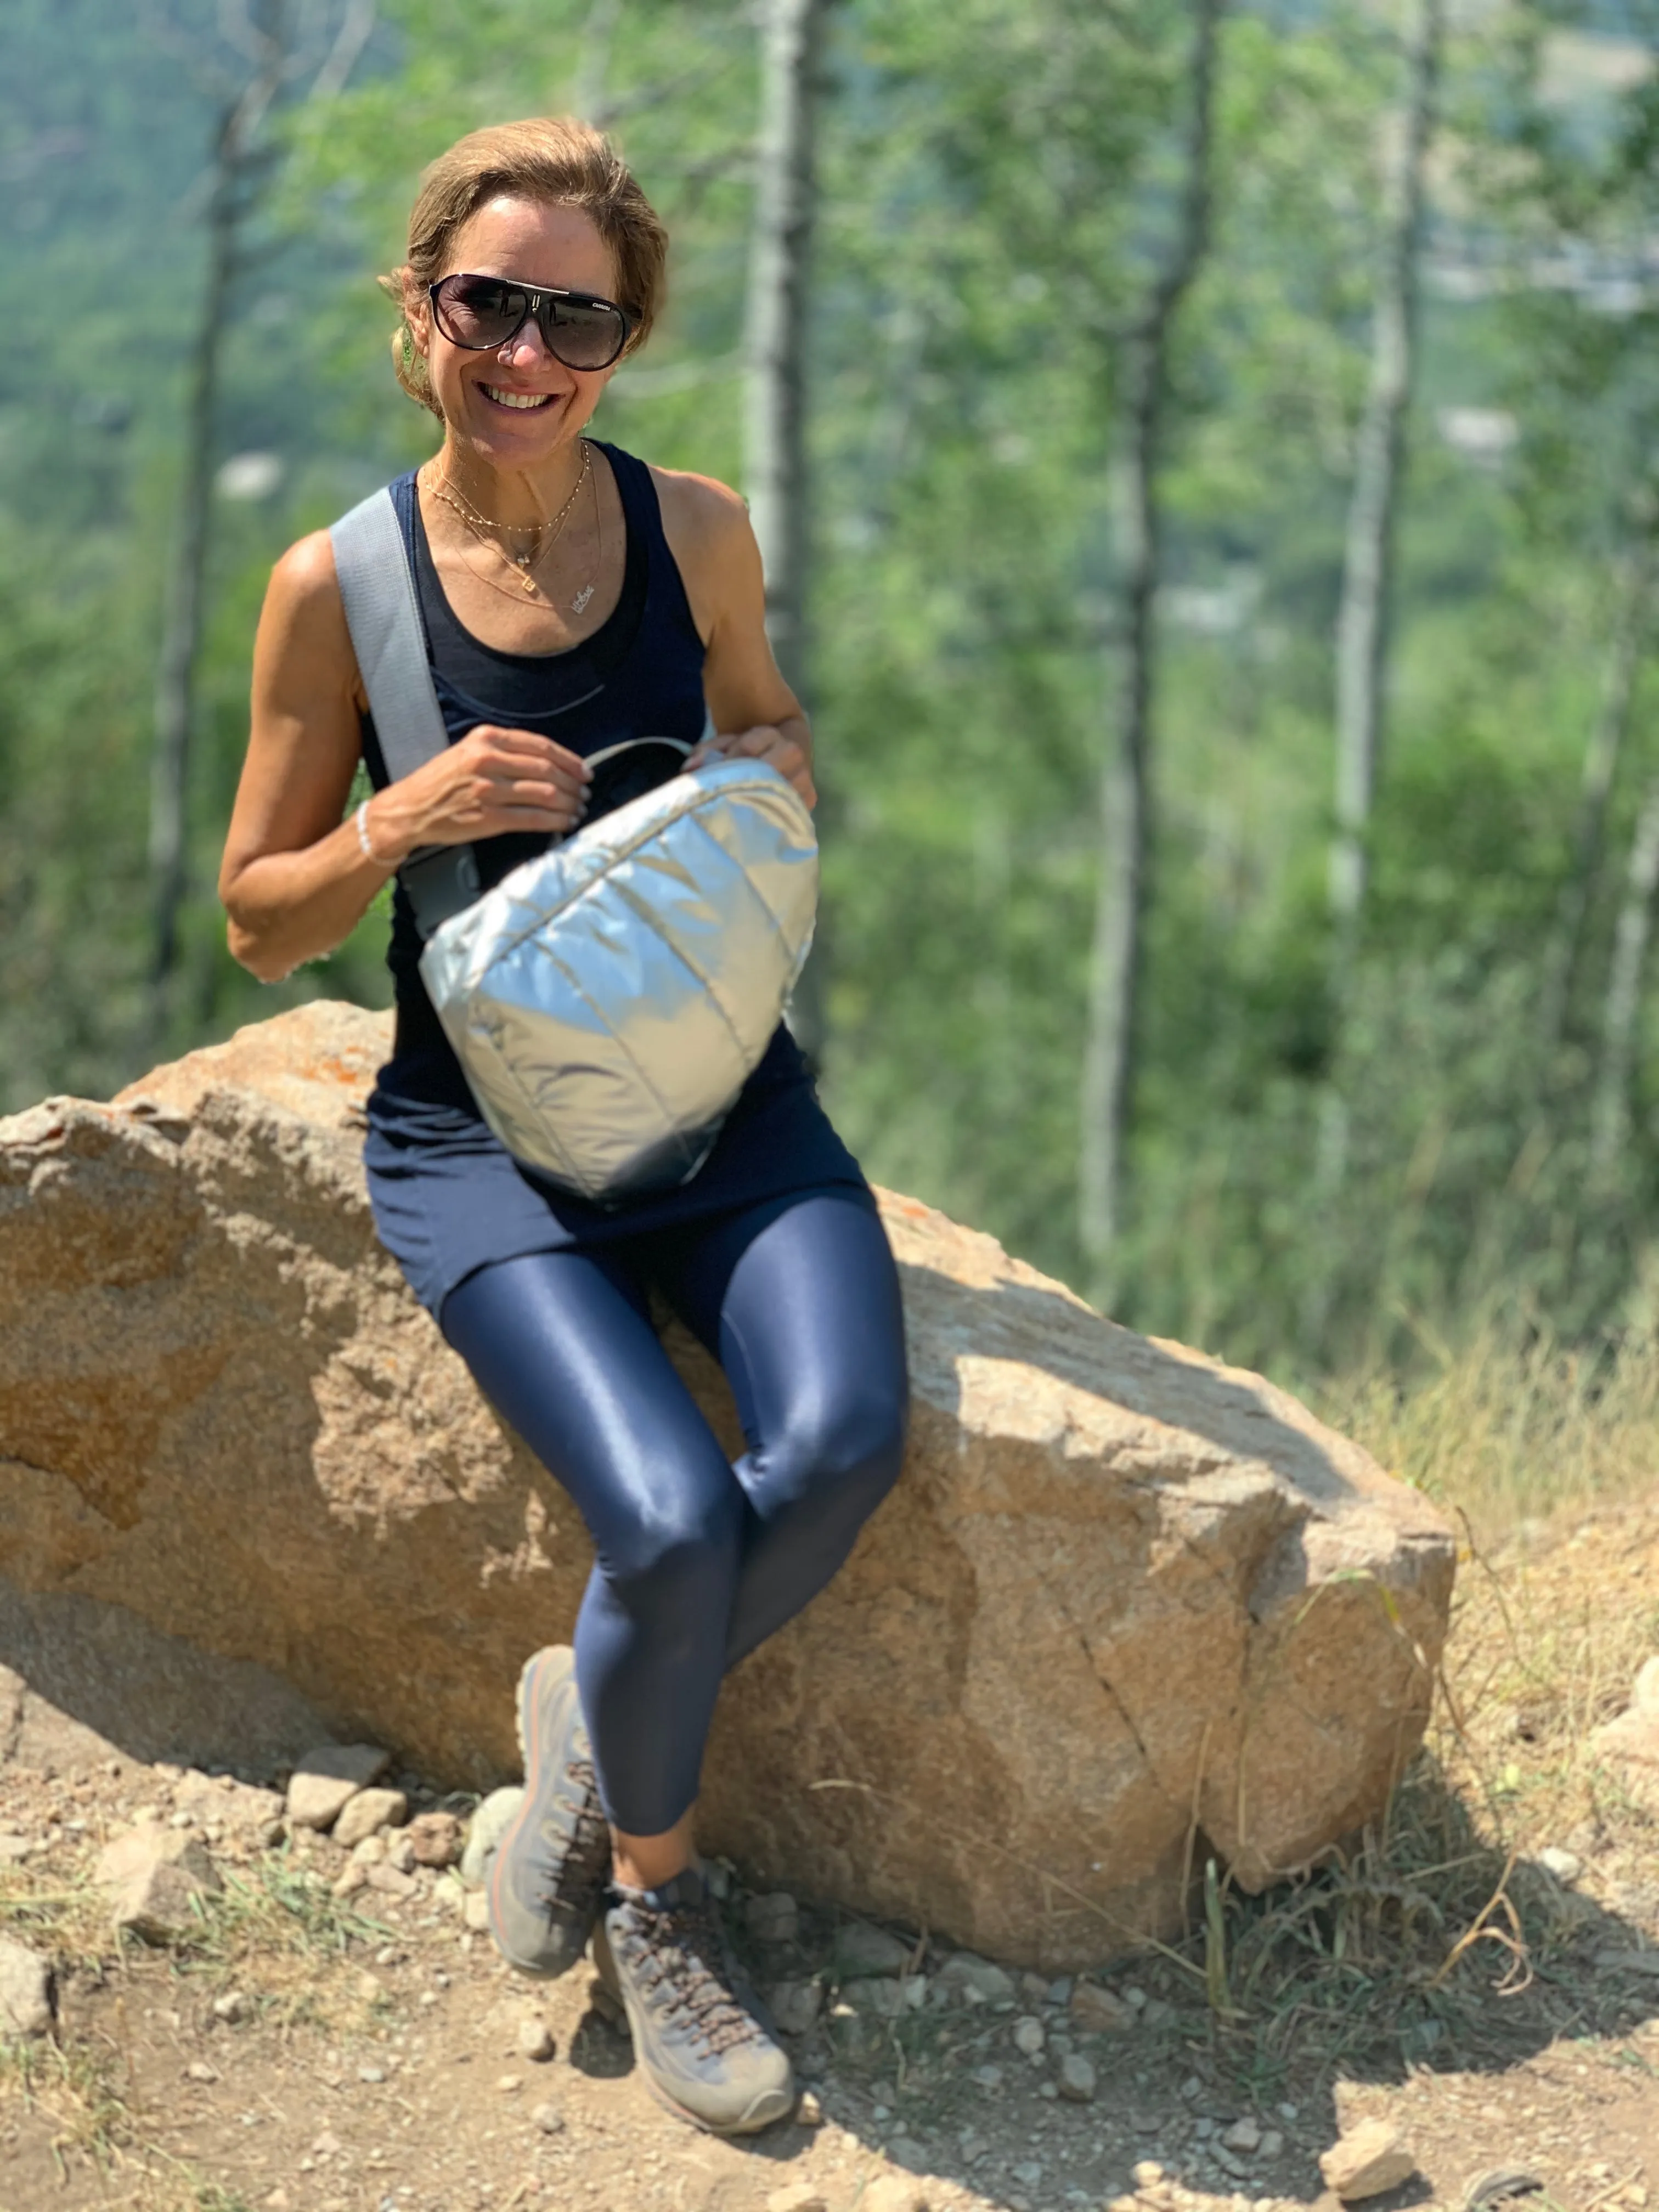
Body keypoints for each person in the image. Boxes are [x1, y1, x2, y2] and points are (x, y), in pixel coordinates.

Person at [218, 116, 909, 2139]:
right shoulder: (330, 588)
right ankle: (657, 1904)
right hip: (478, 1152)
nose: (527, 351)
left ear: (625, 337)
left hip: (724, 1104)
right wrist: (398, 819)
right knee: (677, 1521)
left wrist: (749, 773)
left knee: (851, 1440)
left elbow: (774, 718)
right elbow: (261, 925)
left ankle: (591, 1734)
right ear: (420, 309)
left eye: (575, 318)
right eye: (487, 304)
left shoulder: (693, 528)